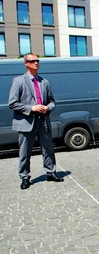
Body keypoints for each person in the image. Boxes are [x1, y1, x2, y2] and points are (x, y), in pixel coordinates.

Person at [8, 53, 64, 190]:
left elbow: (52, 101)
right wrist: (31, 108)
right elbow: (12, 103)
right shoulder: (19, 81)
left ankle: (51, 172)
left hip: (43, 121)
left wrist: (47, 108)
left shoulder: (44, 82)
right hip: (26, 121)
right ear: (26, 63)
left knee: (48, 149)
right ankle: (25, 177)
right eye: (32, 61)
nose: (36, 63)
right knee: (25, 152)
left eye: (37, 60)